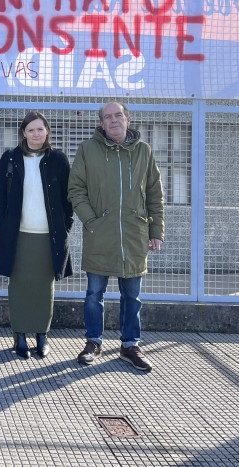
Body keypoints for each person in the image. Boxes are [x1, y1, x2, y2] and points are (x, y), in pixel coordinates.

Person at [68, 101, 165, 372]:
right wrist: (91, 221)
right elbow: (76, 189)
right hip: (100, 234)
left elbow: (155, 195)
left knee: (132, 296)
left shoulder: (144, 152)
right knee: (94, 294)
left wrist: (156, 231)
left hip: (134, 236)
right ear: (101, 123)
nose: (113, 120)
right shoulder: (88, 150)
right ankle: (93, 342)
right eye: (107, 117)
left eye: (118, 115)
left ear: (128, 119)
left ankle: (130, 345)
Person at [0, 111, 73, 359]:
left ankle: (42, 335)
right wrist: (4, 224)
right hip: (18, 234)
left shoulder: (58, 159)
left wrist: (66, 225)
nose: (36, 134)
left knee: (44, 285)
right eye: (30, 130)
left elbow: (68, 197)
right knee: (18, 284)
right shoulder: (11, 158)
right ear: (23, 133)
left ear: (47, 131)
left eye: (40, 129)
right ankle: (20, 334)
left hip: (49, 235)